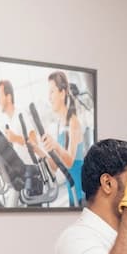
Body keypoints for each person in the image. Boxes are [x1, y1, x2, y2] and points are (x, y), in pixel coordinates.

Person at [33, 70, 85, 207]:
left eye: (52, 92)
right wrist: (38, 150)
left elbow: (70, 162)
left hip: (82, 195)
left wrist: (55, 145)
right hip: (72, 195)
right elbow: (55, 166)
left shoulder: (74, 122)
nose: (49, 97)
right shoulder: (59, 125)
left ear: (62, 93)